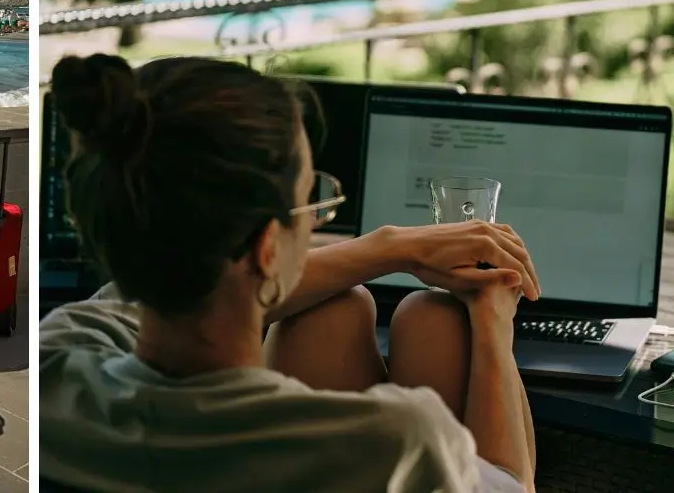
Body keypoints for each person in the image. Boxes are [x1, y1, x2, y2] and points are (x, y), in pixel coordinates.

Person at [40, 54, 541, 493]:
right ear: (266, 246)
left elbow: (180, 289)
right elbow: (510, 486)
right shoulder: (392, 445)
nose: (314, 220)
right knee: (434, 317)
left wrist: (393, 248)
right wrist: (494, 321)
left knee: (340, 306)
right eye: (309, 202)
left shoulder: (57, 367)